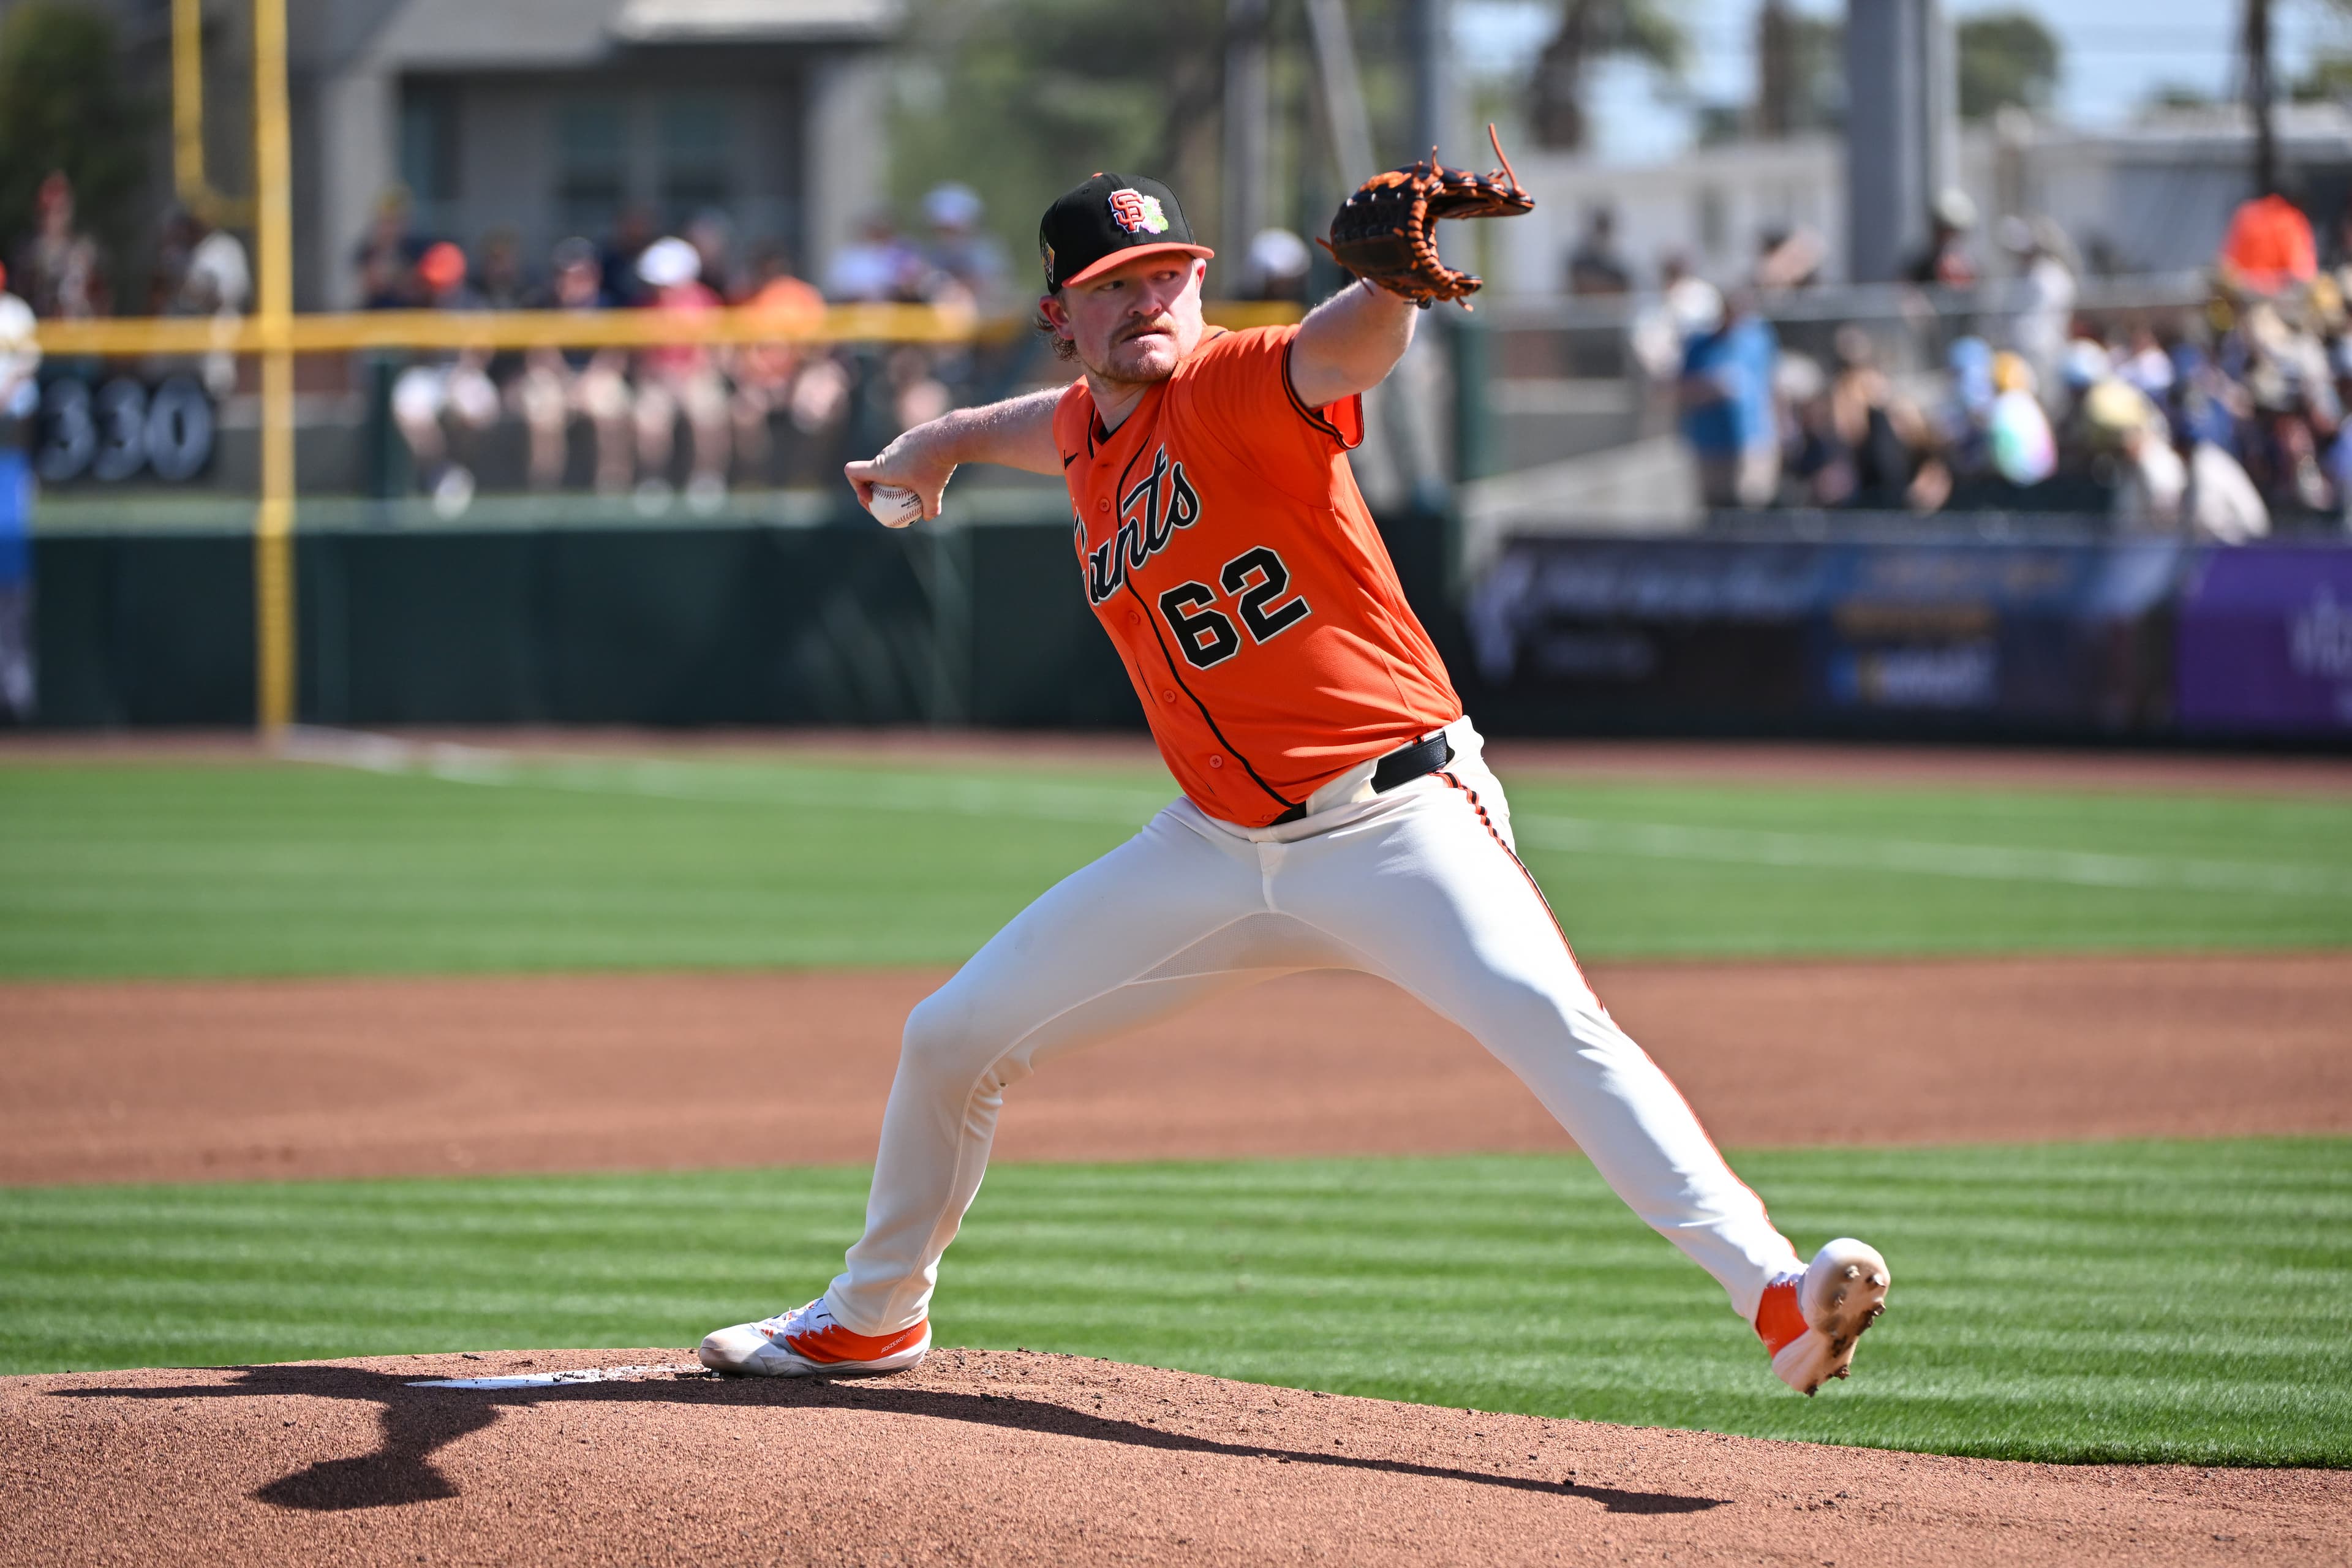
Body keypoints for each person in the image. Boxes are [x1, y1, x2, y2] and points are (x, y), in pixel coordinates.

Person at [695, 167, 1891, 1397]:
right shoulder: (1085, 429)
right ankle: (875, 1314)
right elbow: (1033, 426)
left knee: (1558, 1027)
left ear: (1201, 279)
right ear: (1065, 315)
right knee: (951, 1038)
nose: (1147, 298)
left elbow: (1342, 350)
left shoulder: (1235, 379)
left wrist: (1387, 281)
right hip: (1214, 849)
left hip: (1396, 818)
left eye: (1166, 272)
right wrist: (928, 447)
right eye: (1113, 286)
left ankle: (1775, 1294)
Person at [512, 237, 635, 494]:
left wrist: (586, 385)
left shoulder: (607, 306)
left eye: (579, 275)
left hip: (595, 378)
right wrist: (567, 383)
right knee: (542, 407)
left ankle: (611, 488)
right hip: (556, 378)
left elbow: (615, 357)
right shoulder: (542, 305)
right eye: (563, 274)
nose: (569, 282)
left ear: (593, 275)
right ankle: (544, 490)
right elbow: (540, 355)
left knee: (610, 405)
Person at [390, 240, 499, 516]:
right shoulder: (417, 301)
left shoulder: (472, 303)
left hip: (464, 373)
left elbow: (483, 351)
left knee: (477, 410)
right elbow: (409, 354)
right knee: (411, 409)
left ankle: (464, 471)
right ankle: (440, 472)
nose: (438, 285)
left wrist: (461, 375)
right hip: (428, 374)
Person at [631, 235, 731, 511]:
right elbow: (642, 357)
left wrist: (689, 376)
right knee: (648, 418)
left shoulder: (706, 302)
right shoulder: (646, 306)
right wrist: (664, 377)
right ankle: (653, 481)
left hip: (699, 377)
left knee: (708, 412)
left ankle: (707, 480)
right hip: (658, 380)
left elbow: (714, 353)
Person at [1679, 290, 1781, 509]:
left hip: (1751, 441)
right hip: (1710, 444)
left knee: (1751, 505)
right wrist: (1710, 389)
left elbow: (1770, 386)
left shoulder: (1758, 339)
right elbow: (1677, 388)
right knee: (1715, 509)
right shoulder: (1698, 345)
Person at [0, 262, 39, 721]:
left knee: (12, 577)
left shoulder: (15, 314)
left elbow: (24, 380)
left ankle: (15, 679)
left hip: (9, 447)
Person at [13, 172, 108, 319]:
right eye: (46, 212)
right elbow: (18, 303)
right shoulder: (28, 254)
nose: (52, 218)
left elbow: (101, 298)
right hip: (42, 330)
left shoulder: (84, 251)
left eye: (59, 211)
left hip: (80, 331)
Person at [1565, 205, 1631, 296]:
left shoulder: (1617, 269)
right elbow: (1579, 285)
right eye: (1599, 228)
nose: (1601, 235)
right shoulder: (1579, 263)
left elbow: (1622, 289)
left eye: (1604, 229)